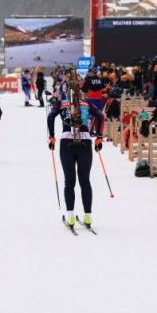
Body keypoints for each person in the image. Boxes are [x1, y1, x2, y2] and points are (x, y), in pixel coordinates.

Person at [47, 71, 104, 229]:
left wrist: (51, 137)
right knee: (85, 181)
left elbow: (50, 117)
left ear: (66, 90)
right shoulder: (87, 102)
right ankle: (87, 217)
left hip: (66, 143)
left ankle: (71, 217)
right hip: (85, 142)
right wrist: (99, 137)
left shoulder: (62, 103)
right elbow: (100, 116)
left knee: (69, 181)